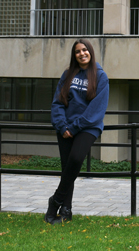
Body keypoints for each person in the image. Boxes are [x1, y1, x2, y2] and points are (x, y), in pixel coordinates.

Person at [45, 39, 109, 224]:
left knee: (74, 160)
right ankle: (66, 211)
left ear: (90, 52)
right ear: (74, 55)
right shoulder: (68, 74)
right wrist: (62, 126)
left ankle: (55, 200)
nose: (82, 53)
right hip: (65, 127)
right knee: (67, 168)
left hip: (88, 127)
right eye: (78, 51)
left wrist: (73, 128)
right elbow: (58, 102)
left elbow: (96, 109)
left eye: (85, 50)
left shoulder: (100, 76)